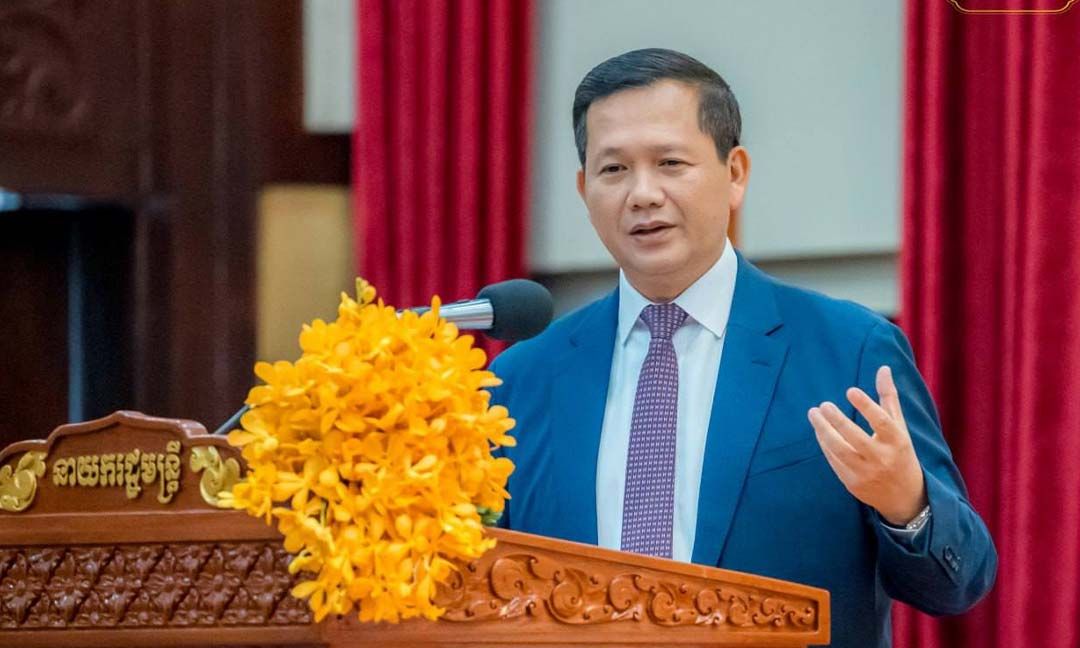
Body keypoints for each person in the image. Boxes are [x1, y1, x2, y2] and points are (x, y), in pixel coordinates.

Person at [488, 48, 996, 648]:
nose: (642, 193)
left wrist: (907, 504)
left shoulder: (848, 349)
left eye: (670, 163)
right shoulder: (523, 379)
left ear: (735, 174)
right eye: (614, 169)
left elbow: (959, 584)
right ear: (583, 189)